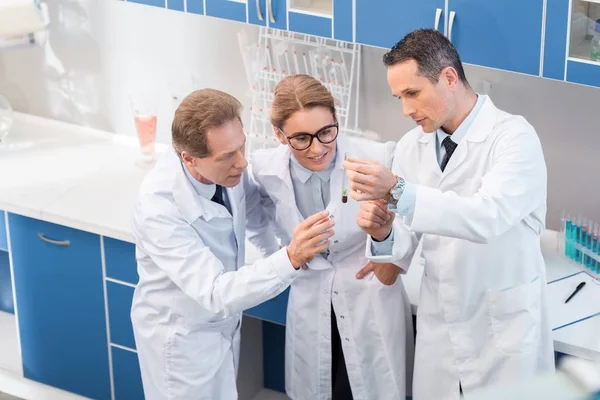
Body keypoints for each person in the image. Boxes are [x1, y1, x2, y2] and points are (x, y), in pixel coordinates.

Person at [343, 29, 555, 400]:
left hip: (502, 332)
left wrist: (397, 191)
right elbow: (396, 263)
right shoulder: (412, 146)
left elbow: (487, 216)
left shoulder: (514, 139)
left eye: (412, 93)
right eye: (399, 97)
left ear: (449, 78)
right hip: (441, 334)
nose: (406, 109)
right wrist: (382, 233)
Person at [130, 88, 335, 400]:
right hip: (182, 340)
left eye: (242, 146)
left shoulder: (228, 174)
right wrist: (289, 258)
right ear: (189, 158)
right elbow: (216, 292)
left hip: (222, 327)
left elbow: (252, 207)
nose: (241, 163)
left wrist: (278, 250)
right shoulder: (158, 207)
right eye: (227, 156)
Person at [248, 74, 414, 400]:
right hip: (310, 294)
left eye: (326, 132)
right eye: (301, 138)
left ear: (336, 120)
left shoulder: (376, 157)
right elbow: (256, 220)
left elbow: (411, 223)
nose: (318, 148)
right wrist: (285, 256)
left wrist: (383, 243)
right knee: (318, 387)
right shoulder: (264, 169)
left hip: (368, 293)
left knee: (369, 387)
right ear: (279, 135)